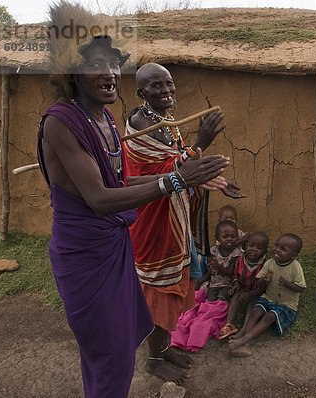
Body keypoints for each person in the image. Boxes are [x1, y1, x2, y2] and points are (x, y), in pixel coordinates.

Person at [37, 11, 230, 396]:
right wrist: (177, 178)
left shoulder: (105, 119)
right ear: (71, 73)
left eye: (113, 63)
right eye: (95, 64)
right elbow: (99, 198)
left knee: (122, 346)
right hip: (86, 255)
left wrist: (191, 176)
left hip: (116, 246)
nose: (109, 73)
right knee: (109, 356)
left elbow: (124, 180)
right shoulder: (61, 123)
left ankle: (151, 359)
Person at [124, 62, 240, 382]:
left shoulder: (164, 121)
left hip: (173, 216)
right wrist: (202, 141)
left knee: (174, 291)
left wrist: (212, 179)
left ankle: (161, 350)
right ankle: (153, 359)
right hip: (153, 221)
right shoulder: (140, 123)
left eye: (169, 84)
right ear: (141, 93)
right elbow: (161, 175)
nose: (166, 91)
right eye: (156, 86)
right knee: (160, 293)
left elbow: (180, 168)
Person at [228, 233, 306, 357]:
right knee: (255, 311)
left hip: (285, 304)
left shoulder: (295, 267)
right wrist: (265, 280)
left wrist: (287, 284)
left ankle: (244, 340)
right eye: (276, 245)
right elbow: (259, 284)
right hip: (268, 298)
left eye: (283, 249)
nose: (277, 250)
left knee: (269, 316)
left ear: (293, 255)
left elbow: (301, 288)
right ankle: (245, 342)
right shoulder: (269, 263)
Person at [218, 231, 269, 339]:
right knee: (236, 296)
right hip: (243, 288)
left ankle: (244, 330)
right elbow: (235, 275)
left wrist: (250, 294)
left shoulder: (265, 264)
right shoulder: (240, 260)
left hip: (257, 292)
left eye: (259, 248)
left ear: (265, 251)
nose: (253, 249)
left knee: (252, 306)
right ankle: (229, 324)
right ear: (245, 246)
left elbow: (262, 288)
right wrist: (236, 284)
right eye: (251, 245)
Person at [197, 221, 243, 301]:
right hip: (214, 284)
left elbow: (231, 273)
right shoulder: (213, 251)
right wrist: (210, 268)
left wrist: (218, 266)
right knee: (210, 300)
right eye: (225, 237)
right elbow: (210, 268)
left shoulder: (236, 254)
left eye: (233, 236)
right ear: (217, 238)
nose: (229, 239)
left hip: (227, 284)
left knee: (221, 298)